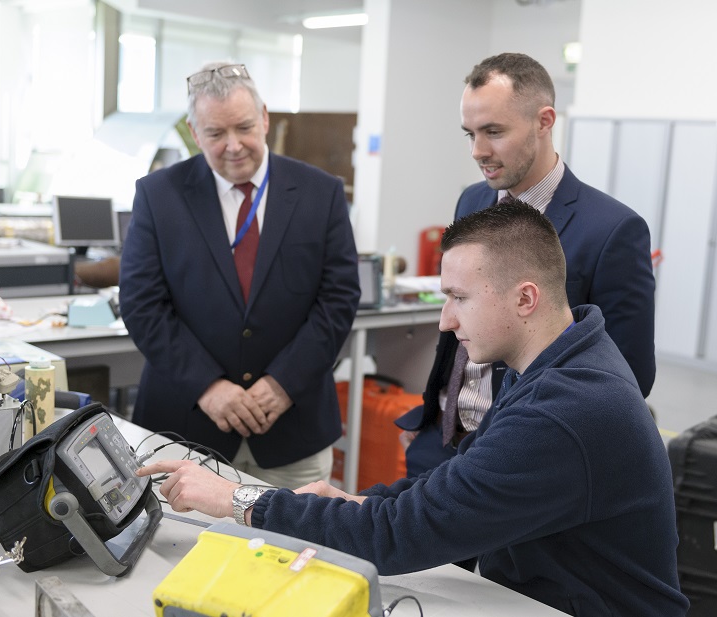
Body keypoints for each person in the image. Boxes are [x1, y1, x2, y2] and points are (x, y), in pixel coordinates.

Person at [137, 202, 688, 616]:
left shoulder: (567, 411)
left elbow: (399, 535)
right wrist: (357, 500)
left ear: (525, 298)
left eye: (459, 298)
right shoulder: (563, 360)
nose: (445, 321)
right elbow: (457, 483)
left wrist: (237, 498)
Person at [396, 52, 656, 477]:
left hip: (521, 457)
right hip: (441, 443)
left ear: (545, 120)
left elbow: (630, 377)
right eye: (470, 133)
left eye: (494, 132)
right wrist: (438, 415)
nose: (479, 151)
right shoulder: (473, 200)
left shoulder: (612, 230)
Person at [119, 61, 360, 489]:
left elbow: (338, 299)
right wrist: (208, 387)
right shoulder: (158, 195)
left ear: (265, 118)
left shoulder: (320, 192)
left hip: (293, 429)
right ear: (195, 133)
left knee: (295, 550)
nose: (233, 146)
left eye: (244, 127)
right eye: (215, 133)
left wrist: (283, 383)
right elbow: (142, 305)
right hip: (185, 429)